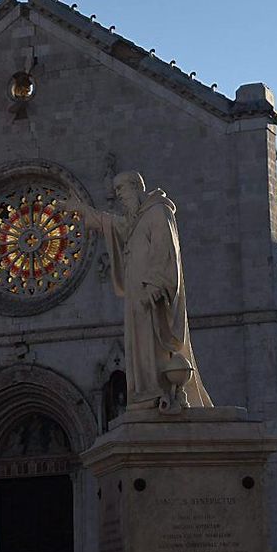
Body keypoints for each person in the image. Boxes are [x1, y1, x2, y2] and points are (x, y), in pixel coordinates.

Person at [69, 171, 212, 412]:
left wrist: (157, 285)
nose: (119, 197)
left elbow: (167, 250)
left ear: (135, 186)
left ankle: (159, 392)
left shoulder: (157, 212)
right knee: (140, 346)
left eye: (121, 191)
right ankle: (147, 392)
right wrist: (82, 209)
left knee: (152, 345)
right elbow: (113, 224)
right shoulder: (137, 219)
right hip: (137, 298)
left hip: (152, 296)